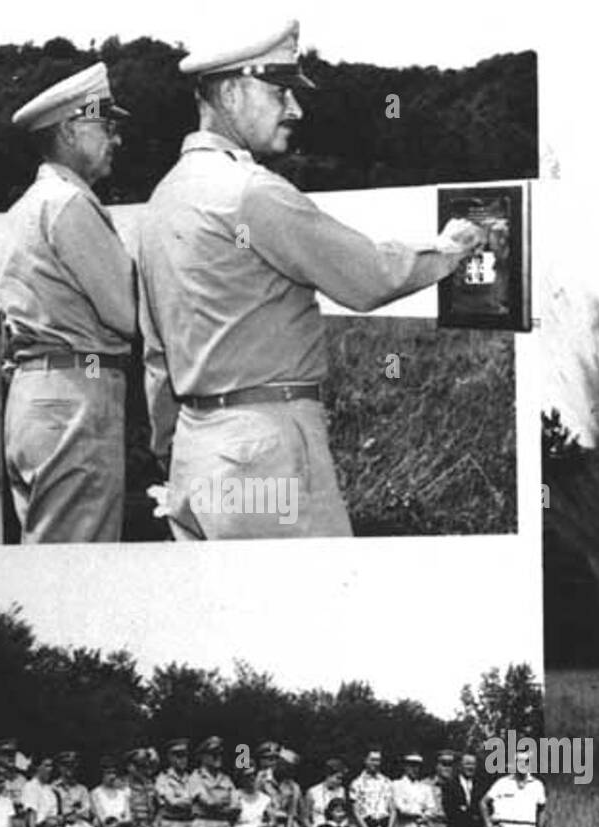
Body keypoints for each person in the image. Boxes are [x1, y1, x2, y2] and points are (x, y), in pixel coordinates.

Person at [136, 20, 485, 540]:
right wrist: (450, 247)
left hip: (195, 449)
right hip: (264, 446)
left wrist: (175, 448)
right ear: (231, 92)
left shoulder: (163, 199)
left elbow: (157, 352)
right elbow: (367, 276)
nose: (295, 109)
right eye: (281, 92)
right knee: (307, 610)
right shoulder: (250, 192)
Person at [0, 62, 136, 543]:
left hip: (35, 399)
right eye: (106, 126)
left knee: (50, 557)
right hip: (77, 397)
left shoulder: (26, 206)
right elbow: (129, 314)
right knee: (79, 574)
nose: (116, 139)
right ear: (72, 130)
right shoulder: (70, 205)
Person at [449, 751, 488, 827]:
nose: (470, 767)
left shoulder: (481, 784)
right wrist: (469, 812)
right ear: (460, 765)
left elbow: (483, 806)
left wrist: (466, 810)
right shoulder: (450, 785)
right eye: (467, 764)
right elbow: (450, 808)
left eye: (473, 764)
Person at [90, 755, 131, 827]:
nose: (112, 776)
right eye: (108, 773)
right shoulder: (96, 793)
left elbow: (128, 816)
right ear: (102, 774)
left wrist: (121, 823)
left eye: (114, 773)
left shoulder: (123, 793)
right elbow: (101, 817)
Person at [53, 751, 91, 824]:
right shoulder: (53, 788)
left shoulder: (82, 789)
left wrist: (74, 815)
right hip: (60, 826)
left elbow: (86, 812)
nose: (69, 768)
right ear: (59, 767)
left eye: (72, 765)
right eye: (66, 765)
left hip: (80, 825)